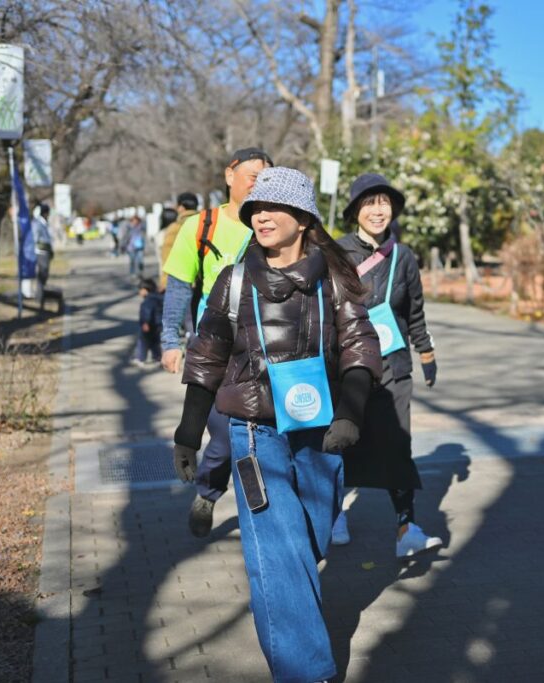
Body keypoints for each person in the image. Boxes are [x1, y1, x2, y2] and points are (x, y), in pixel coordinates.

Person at [173, 166, 380, 683]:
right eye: (255, 210)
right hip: (252, 433)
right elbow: (205, 357)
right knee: (280, 553)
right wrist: (188, 431)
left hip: (321, 432)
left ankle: (290, 621)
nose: (261, 216)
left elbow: (360, 345)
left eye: (274, 208)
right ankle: (308, 672)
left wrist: (351, 412)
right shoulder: (234, 280)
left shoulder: (335, 277)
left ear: (304, 217)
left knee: (306, 542)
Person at [160, 148, 273, 537]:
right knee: (225, 435)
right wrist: (170, 340)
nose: (259, 181)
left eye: (266, 176)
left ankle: (261, 513)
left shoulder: (273, 222)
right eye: (252, 174)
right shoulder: (201, 225)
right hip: (215, 348)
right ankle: (208, 493)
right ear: (230, 175)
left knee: (263, 436)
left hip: (266, 349)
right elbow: (178, 287)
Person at [333, 173, 443, 559]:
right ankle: (334, 515)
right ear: (355, 211)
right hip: (348, 366)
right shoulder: (337, 253)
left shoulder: (403, 256)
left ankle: (405, 527)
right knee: (346, 440)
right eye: (369, 203)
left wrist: (425, 353)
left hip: (394, 365)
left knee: (397, 444)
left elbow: (415, 312)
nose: (378, 210)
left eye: (383, 202)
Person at [157, 192, 200, 292]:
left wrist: (164, 282)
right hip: (206, 282)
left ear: (181, 207)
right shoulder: (207, 224)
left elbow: (167, 258)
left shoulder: (175, 228)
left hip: (181, 282)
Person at [134, 277, 163, 367]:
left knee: (143, 341)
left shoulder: (148, 301)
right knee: (155, 341)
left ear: (146, 290)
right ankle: (157, 357)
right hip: (158, 324)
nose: (139, 292)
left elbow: (147, 311)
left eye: (140, 290)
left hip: (149, 324)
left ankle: (141, 358)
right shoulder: (158, 297)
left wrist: (145, 322)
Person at [32, 204, 54, 306]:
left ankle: (41, 294)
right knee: (42, 274)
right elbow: (35, 237)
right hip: (40, 252)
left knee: (45, 274)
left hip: (46, 251)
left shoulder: (44, 223)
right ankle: (39, 296)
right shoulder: (37, 223)